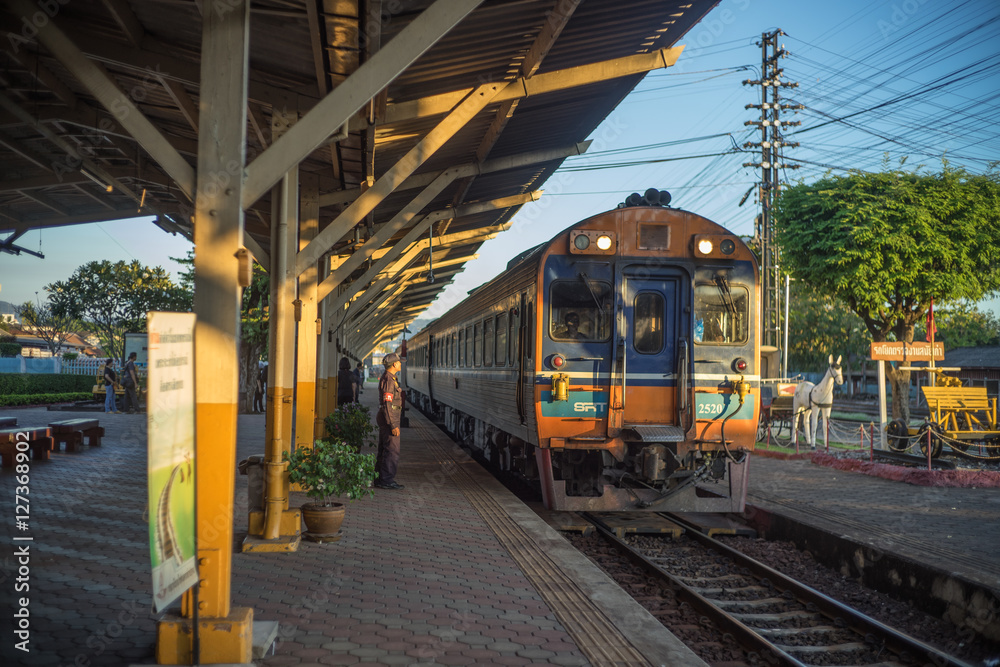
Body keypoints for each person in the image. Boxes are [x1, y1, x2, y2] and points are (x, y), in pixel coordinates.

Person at [375, 353, 404, 490]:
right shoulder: (389, 380)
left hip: (388, 416)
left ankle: (380, 478)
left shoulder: (390, 378)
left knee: (385, 449)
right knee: (392, 450)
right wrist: (393, 425)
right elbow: (387, 404)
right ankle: (386, 480)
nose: (400, 364)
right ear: (394, 364)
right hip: (390, 418)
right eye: (399, 362)